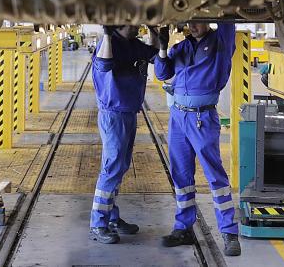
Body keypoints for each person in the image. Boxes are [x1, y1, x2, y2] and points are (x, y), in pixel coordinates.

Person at [154, 21, 242, 257]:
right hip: (178, 118)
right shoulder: (182, 47)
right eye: (189, 21)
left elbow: (227, 20)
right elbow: (162, 74)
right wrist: (162, 49)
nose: (192, 26)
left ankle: (229, 232)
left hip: (202, 118)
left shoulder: (220, 42)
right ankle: (183, 228)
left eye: (198, 20)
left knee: (214, 174)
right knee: (181, 174)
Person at [89, 25, 161, 244]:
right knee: (112, 168)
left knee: (120, 167)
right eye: (132, 22)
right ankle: (98, 222)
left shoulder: (134, 44)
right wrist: (107, 35)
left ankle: (111, 217)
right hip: (113, 114)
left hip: (129, 112)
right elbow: (104, 65)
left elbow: (153, 54)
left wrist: (155, 31)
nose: (136, 25)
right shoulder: (108, 44)